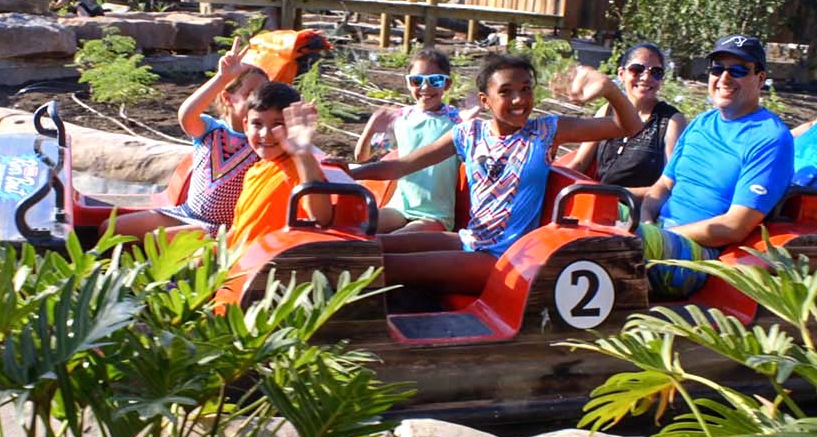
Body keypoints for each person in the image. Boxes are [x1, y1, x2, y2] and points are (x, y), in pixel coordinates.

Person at [351, 54, 643, 294]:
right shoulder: (469, 133)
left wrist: (608, 89)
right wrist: (352, 173)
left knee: (385, 267)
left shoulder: (545, 131)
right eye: (506, 92)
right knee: (364, 249)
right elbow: (404, 165)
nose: (519, 100)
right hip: (469, 240)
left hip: (503, 258)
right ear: (485, 100)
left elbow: (628, 127)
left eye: (526, 89)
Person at [637, 35, 794, 298]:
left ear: (760, 78)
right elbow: (663, 185)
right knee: (593, 214)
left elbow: (734, 226)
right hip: (658, 231)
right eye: (717, 68)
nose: (724, 78)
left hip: (697, 257)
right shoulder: (702, 122)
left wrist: (659, 233)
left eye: (738, 70)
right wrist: (645, 219)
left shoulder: (770, 139)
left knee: (616, 245)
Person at [104, 38, 268, 242]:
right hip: (186, 214)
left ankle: (161, 271)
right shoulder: (211, 130)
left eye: (262, 95)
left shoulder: (262, 140)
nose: (256, 101)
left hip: (221, 229)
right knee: (111, 229)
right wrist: (221, 78)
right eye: (250, 94)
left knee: (158, 239)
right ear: (227, 98)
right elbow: (187, 115)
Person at [354, 49, 463, 233]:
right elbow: (361, 157)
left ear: (447, 84)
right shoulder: (402, 119)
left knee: (393, 241)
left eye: (435, 80)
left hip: (434, 214)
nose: (425, 87)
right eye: (417, 81)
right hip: (400, 207)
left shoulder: (456, 120)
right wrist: (371, 128)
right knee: (358, 228)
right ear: (408, 83)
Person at [570, 42, 687, 199]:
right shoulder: (606, 111)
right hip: (596, 201)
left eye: (656, 72)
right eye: (637, 70)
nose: (646, 78)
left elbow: (669, 184)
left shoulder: (671, 121)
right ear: (621, 74)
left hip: (635, 209)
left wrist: (610, 194)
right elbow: (579, 163)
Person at [226, 82, 333, 250]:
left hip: (268, 268)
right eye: (257, 124)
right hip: (237, 263)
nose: (266, 134)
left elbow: (321, 218)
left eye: (278, 124)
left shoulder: (299, 168)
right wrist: (212, 253)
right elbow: (236, 230)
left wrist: (302, 152)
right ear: (246, 126)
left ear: (293, 127)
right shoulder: (254, 171)